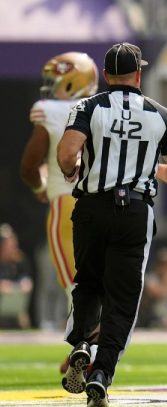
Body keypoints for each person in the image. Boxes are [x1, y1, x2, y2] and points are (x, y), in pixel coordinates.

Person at [57, 42, 167, 407]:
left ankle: (82, 340)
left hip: (92, 206)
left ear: (105, 74)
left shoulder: (87, 106)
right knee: (123, 298)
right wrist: (147, 169)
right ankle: (102, 373)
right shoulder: (160, 114)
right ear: (139, 73)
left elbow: (68, 153)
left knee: (88, 281)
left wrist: (72, 171)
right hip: (134, 210)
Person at [19, 52, 99, 370]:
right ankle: (89, 350)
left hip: (67, 203)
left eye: (56, 82)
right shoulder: (105, 109)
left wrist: (40, 188)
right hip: (107, 203)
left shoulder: (50, 111)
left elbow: (28, 166)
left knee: (75, 286)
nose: (50, 89)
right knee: (103, 284)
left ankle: (86, 351)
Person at [0, 224, 33, 329]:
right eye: (9, 244)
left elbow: (26, 278)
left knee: (22, 321)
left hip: (15, 310)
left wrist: (24, 283)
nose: (14, 247)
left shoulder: (19, 260)